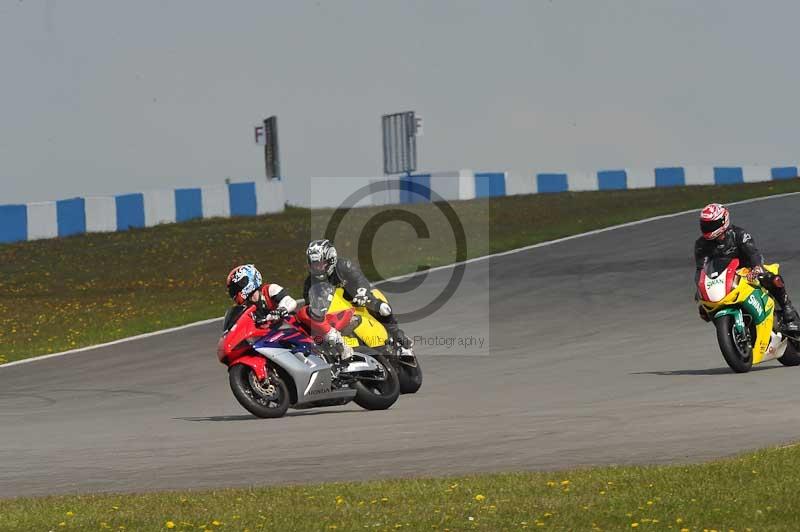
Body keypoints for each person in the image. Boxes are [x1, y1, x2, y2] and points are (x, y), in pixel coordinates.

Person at [695, 203, 799, 332]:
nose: (707, 228)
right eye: (704, 225)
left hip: (748, 268)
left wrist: (756, 268)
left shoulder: (739, 234)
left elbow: (753, 253)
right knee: (703, 309)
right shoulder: (701, 245)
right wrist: (699, 286)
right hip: (724, 277)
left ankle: (788, 310)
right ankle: (731, 330)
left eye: (710, 225)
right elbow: (701, 268)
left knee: (770, 278)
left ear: (723, 221)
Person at [303, 239, 414, 348]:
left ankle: (398, 335)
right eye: (314, 264)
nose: (317, 268)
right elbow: (309, 305)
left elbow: (360, 279)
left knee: (383, 308)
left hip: (356, 300)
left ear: (331, 260)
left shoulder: (344, 266)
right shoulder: (310, 282)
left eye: (320, 264)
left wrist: (362, 292)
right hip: (334, 313)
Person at [226, 264, 297, 323]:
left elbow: (290, 301)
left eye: (236, 288)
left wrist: (280, 310)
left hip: (289, 328)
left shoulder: (270, 290)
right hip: (268, 336)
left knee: (303, 314)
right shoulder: (245, 308)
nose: (234, 292)